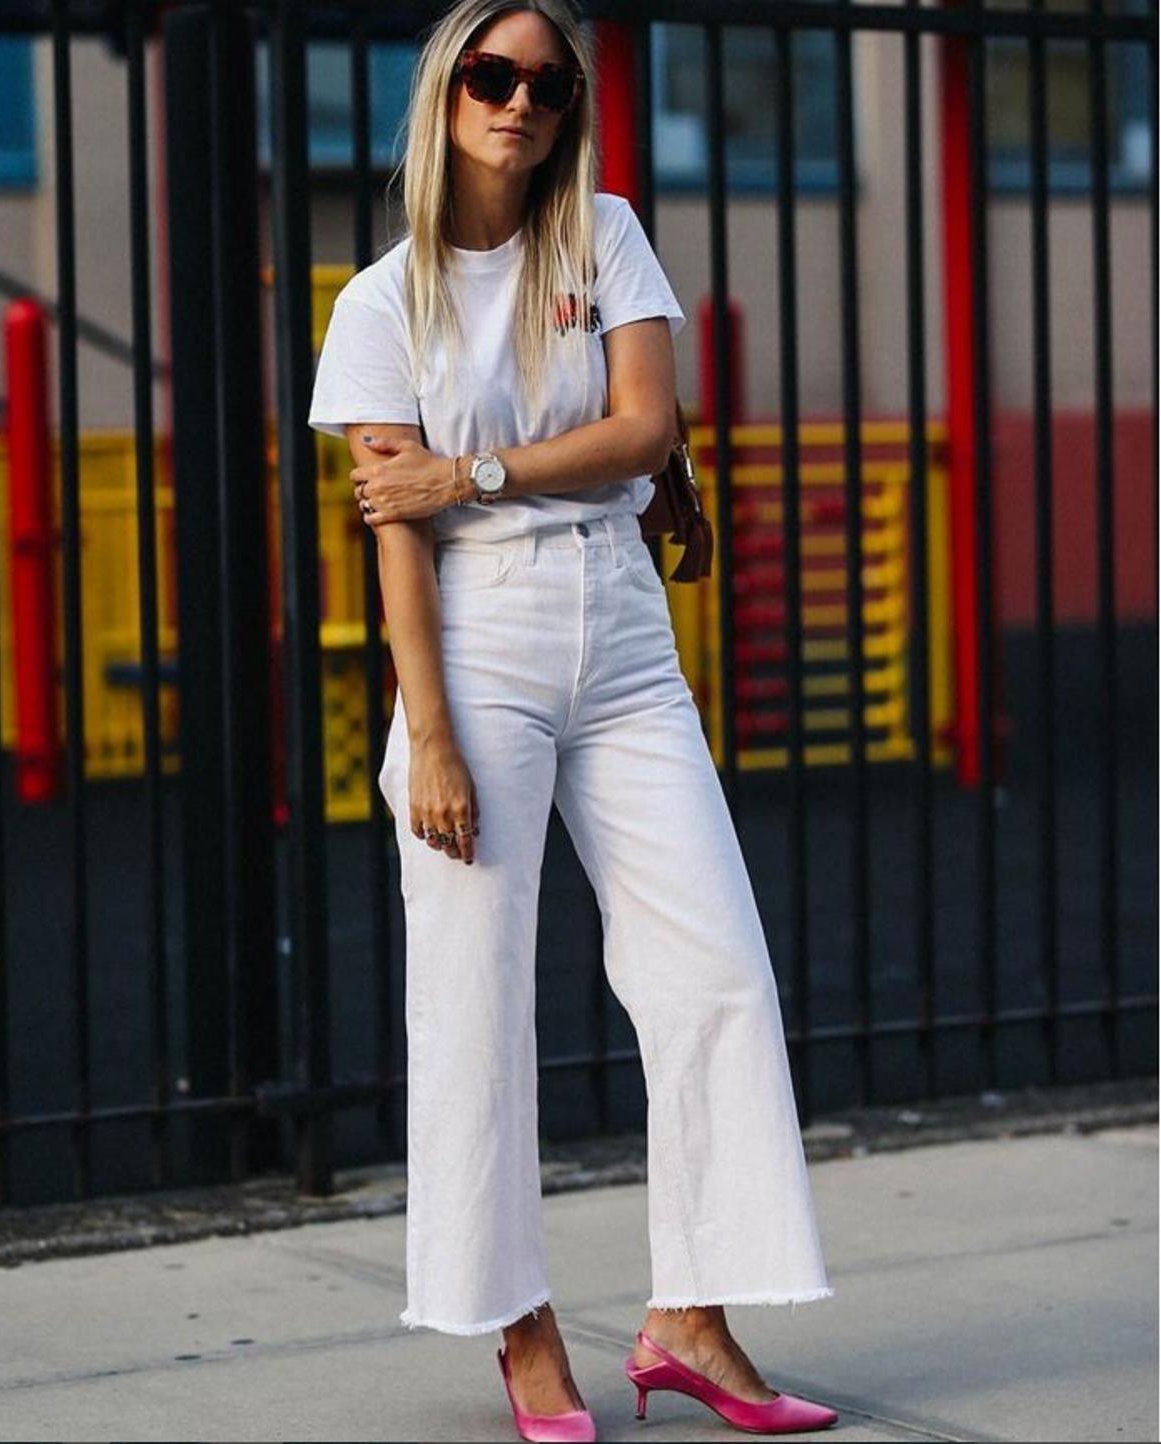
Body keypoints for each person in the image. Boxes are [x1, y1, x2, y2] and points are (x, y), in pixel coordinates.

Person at [308, 2, 838, 1438]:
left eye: (547, 83)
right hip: (471, 648)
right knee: (477, 1002)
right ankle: (520, 1328)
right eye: (492, 75)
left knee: (716, 969)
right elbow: (391, 536)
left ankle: (690, 1321)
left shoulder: (601, 236)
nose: (520, 101)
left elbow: (645, 430)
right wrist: (427, 734)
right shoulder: (377, 305)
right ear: (446, 93)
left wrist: (472, 472)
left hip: (617, 627)